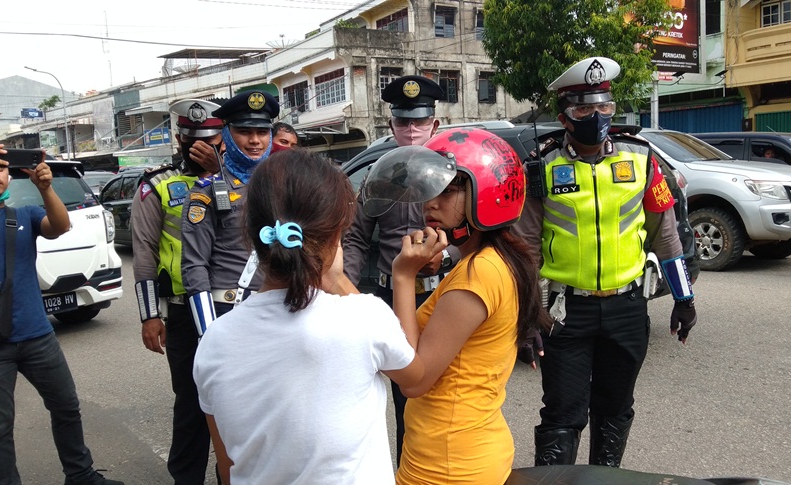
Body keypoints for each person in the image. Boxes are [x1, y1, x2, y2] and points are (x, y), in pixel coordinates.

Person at [192, 149, 424, 484]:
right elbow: (414, 380)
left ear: (252, 233)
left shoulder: (213, 340)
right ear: (335, 238)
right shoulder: (362, 317)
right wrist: (347, 279)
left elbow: (228, 468)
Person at [515, 57, 699, 468]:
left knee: (615, 407)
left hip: (627, 308)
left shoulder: (643, 160)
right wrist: (527, 317)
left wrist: (684, 299)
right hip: (565, 312)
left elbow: (665, 235)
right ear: (565, 118)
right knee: (563, 412)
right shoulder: (541, 167)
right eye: (584, 109)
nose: (596, 117)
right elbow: (526, 248)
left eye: (604, 107)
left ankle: (605, 478)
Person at [359, 128, 550, 484]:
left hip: (448, 466)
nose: (430, 203)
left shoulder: (478, 275)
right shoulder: (492, 260)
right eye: (432, 190)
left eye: (448, 190)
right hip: (456, 450)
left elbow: (414, 380)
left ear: (487, 193)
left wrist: (403, 276)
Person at [0, 140, 124, 485]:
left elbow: (60, 225)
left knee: (66, 407)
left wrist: (45, 188)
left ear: (8, 175)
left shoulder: (23, 214)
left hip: (37, 336)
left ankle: (80, 475)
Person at [342, 74, 461, 464]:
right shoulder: (380, 176)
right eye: (403, 122)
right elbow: (357, 239)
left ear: (435, 124)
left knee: (445, 394)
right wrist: (348, 300)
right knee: (399, 397)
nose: (412, 131)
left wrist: (446, 257)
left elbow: (475, 235)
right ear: (390, 125)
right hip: (390, 298)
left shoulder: (456, 174)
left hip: (442, 293)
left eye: (420, 122)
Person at [131, 98, 224, 484]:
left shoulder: (234, 180)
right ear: (179, 139)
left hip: (233, 306)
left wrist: (219, 174)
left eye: (211, 140)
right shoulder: (157, 185)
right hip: (185, 309)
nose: (201, 147)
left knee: (237, 402)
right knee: (190, 402)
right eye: (192, 140)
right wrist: (150, 315)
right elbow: (144, 255)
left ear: (223, 141)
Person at [181, 90, 279, 332]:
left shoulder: (286, 186)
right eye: (244, 132)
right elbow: (194, 266)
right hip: (229, 309)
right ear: (227, 136)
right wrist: (207, 334)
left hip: (280, 308)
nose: (255, 141)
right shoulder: (205, 193)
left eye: (262, 132)